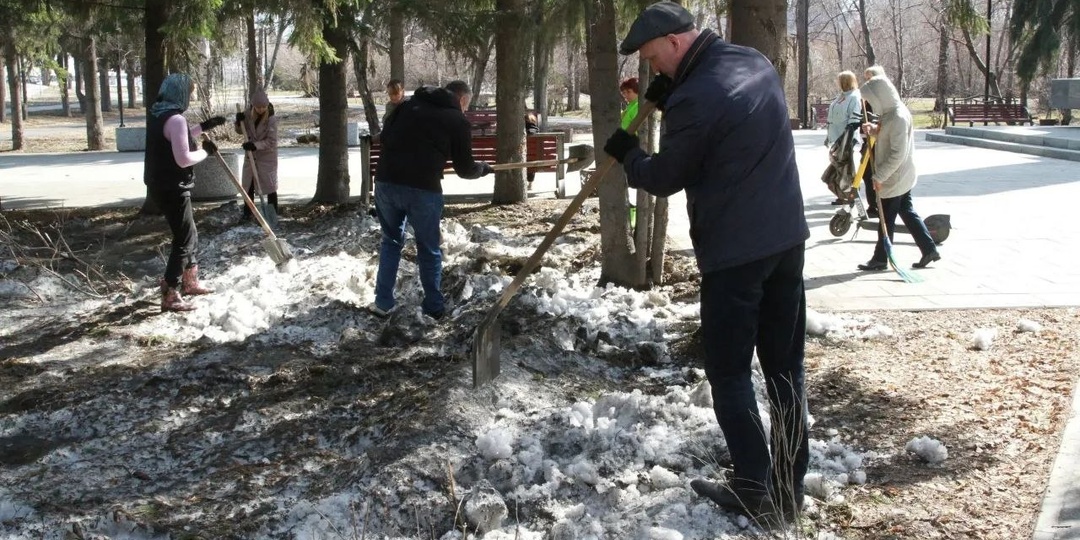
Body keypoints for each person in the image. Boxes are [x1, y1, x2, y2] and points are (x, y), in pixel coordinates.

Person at [603, 1, 809, 526]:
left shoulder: (696, 97)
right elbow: (725, 125)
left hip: (736, 255)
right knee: (785, 368)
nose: (653, 69)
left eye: (654, 58)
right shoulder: (752, 61)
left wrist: (628, 153)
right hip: (785, 240)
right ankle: (788, 486)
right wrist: (673, 94)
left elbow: (664, 175)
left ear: (675, 42)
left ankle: (751, 487)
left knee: (730, 370)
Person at [370, 80, 494, 319]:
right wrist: (482, 168)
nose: (465, 110)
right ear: (461, 99)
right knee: (428, 247)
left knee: (391, 242)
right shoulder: (456, 120)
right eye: (466, 105)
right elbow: (465, 169)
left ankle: (383, 302)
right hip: (422, 189)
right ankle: (434, 306)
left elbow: (385, 138)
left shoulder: (407, 106)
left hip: (386, 183)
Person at [143, 73, 227, 312]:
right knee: (184, 239)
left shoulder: (159, 115)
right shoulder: (176, 119)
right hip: (173, 187)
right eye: (189, 93)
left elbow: (175, 137)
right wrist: (206, 153)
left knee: (189, 233)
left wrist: (203, 127)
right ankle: (171, 291)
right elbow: (183, 159)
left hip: (159, 185)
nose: (190, 98)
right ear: (179, 94)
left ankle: (190, 282)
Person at [857, 74, 942, 271]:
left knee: (886, 218)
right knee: (906, 210)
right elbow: (889, 134)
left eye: (871, 100)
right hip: (901, 175)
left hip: (895, 176)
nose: (869, 104)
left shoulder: (897, 116)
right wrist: (875, 130)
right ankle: (929, 249)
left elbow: (897, 153)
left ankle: (881, 258)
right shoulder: (893, 113)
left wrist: (879, 176)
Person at [234, 89, 279, 220]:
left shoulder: (271, 119)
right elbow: (240, 131)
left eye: (263, 107)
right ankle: (248, 212)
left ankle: (272, 213)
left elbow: (272, 141)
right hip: (251, 157)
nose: (261, 110)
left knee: (270, 186)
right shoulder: (248, 115)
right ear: (253, 106)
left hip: (267, 157)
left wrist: (255, 145)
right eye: (258, 107)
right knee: (249, 185)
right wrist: (238, 122)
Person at [823, 71, 863, 205]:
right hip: (836, 137)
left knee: (844, 168)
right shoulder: (841, 96)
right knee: (838, 168)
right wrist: (828, 136)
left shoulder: (854, 97)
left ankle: (848, 195)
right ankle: (841, 194)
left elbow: (854, 118)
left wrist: (847, 137)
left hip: (846, 138)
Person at [861, 66, 887, 215]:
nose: (868, 82)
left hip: (880, 143)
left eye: (870, 78)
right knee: (866, 174)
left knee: (876, 174)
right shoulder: (867, 98)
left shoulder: (883, 98)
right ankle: (873, 205)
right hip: (868, 142)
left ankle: (879, 205)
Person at [525, 111, 540, 190]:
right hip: (534, 158)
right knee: (532, 158)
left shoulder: (520, 133)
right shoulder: (537, 131)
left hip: (520, 158)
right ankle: (530, 183)